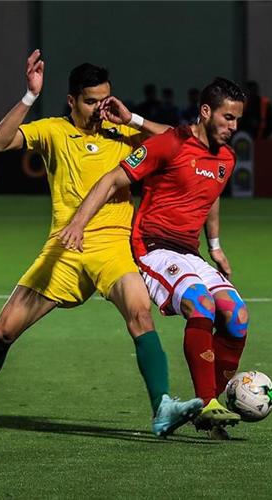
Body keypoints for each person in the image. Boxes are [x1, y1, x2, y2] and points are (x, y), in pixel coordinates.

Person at [0, 50, 203, 436]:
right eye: (90, 101)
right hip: (65, 247)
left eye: (104, 100)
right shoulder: (54, 130)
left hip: (113, 246)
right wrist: (30, 95)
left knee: (140, 314)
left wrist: (132, 119)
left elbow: (184, 144)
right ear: (72, 100)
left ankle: (162, 407)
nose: (99, 109)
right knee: (4, 330)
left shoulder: (123, 133)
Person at [59, 77, 250, 440]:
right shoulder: (170, 143)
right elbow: (112, 179)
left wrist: (215, 246)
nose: (234, 126)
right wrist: (78, 224)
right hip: (153, 248)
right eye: (228, 117)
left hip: (190, 251)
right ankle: (207, 402)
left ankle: (216, 412)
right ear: (206, 111)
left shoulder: (226, 157)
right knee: (201, 303)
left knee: (237, 316)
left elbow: (210, 196)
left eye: (237, 119)